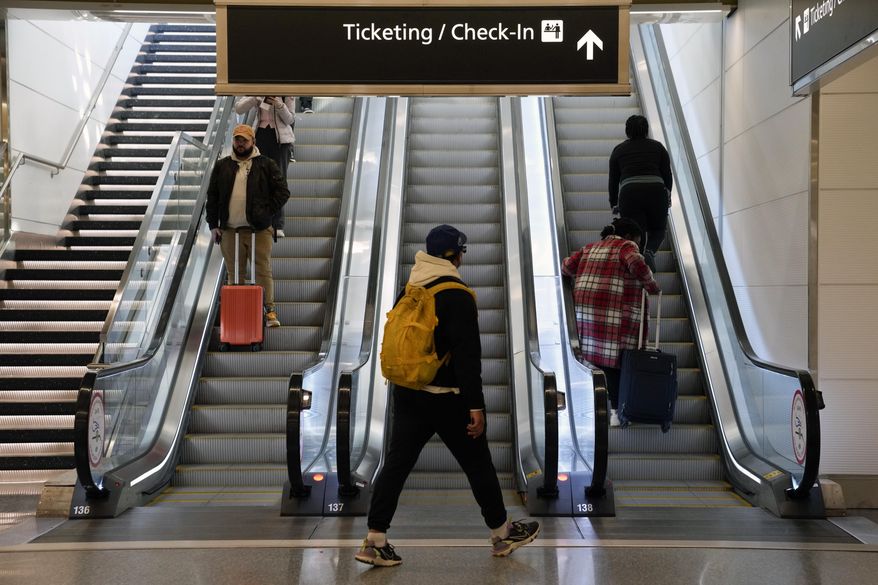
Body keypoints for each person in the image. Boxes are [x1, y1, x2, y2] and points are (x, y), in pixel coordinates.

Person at [356, 224, 540, 567]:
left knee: (396, 466)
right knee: (477, 465)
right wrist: (476, 405)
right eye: (462, 254)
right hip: (450, 398)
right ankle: (501, 533)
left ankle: (374, 540)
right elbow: (468, 355)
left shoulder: (411, 286)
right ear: (454, 256)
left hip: (410, 392)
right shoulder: (456, 293)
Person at [561, 218, 661, 427]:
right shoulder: (625, 247)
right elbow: (638, 265)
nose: (638, 245)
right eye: (638, 240)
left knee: (597, 360)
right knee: (618, 363)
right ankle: (617, 411)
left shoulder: (588, 248)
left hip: (587, 314)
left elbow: (567, 267)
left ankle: (592, 407)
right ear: (629, 236)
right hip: (614, 314)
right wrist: (652, 286)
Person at [206, 124, 290, 328]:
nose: (240, 143)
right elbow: (213, 196)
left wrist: (265, 211)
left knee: (262, 269)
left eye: (244, 140)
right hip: (229, 229)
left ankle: (268, 310)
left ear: (253, 141)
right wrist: (213, 224)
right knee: (235, 274)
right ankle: (237, 315)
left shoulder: (265, 164)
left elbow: (283, 191)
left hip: (258, 229)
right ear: (233, 141)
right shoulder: (223, 165)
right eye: (237, 139)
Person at [608, 114, 673, 272]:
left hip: (630, 193)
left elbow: (613, 180)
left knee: (637, 231)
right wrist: (667, 195)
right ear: (646, 130)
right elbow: (667, 175)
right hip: (656, 190)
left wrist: (614, 203)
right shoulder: (658, 147)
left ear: (627, 131)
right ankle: (649, 251)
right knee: (658, 229)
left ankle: (637, 262)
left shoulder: (619, 150)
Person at [234, 96, 295, 238]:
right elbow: (238, 108)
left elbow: (290, 119)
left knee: (279, 181)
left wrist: (279, 105)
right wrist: (255, 98)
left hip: (281, 141)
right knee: (258, 180)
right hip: (259, 136)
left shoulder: (287, 92)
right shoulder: (257, 87)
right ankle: (259, 221)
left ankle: (277, 224)